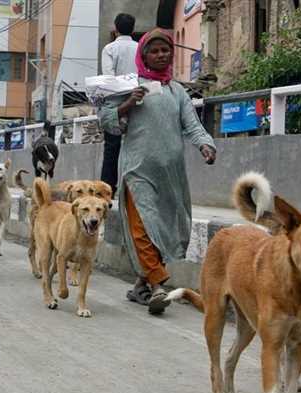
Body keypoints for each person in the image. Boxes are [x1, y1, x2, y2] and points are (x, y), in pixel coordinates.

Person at [99, 29, 216, 315]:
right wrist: (128, 104)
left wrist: (205, 145)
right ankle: (160, 285)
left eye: (166, 50)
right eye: (155, 51)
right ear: (143, 56)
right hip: (137, 170)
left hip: (170, 174)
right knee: (142, 226)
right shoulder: (128, 86)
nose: (161, 55)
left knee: (161, 228)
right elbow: (107, 121)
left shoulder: (177, 91)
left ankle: (141, 285)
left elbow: (192, 125)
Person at [99, 13, 139, 196]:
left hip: (115, 104)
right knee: (137, 146)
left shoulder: (109, 49)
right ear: (133, 29)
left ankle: (108, 189)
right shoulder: (140, 48)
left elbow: (108, 77)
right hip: (138, 101)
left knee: (111, 148)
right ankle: (134, 188)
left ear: (115, 29)